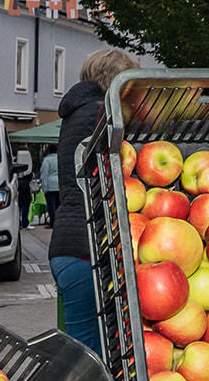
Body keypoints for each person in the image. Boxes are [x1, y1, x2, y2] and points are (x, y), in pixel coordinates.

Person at [50, 49, 139, 357]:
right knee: (92, 355)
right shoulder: (103, 115)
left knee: (82, 344)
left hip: (67, 246)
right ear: (117, 83)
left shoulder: (77, 112)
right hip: (88, 248)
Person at [39, 146, 59, 226]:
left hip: (50, 185)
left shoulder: (47, 160)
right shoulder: (59, 158)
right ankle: (59, 221)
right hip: (59, 184)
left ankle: (53, 222)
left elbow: (44, 174)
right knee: (58, 204)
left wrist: (44, 187)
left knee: (51, 205)